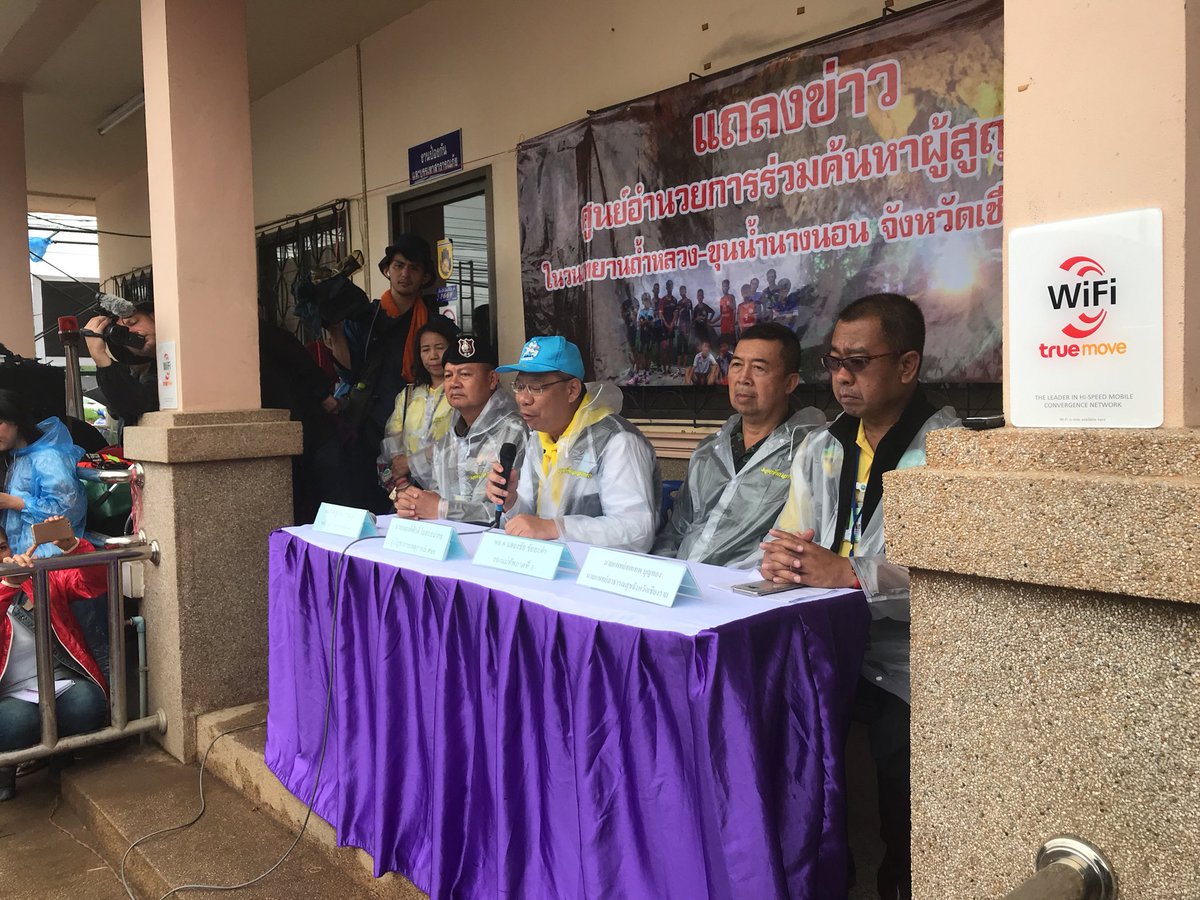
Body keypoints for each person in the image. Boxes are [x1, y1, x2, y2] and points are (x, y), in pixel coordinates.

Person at [758, 293, 958, 900]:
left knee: (903, 756)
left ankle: (905, 880)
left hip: (913, 655)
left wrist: (848, 574)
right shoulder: (822, 445)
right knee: (774, 718)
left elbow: (948, 577)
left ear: (907, 365)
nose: (842, 378)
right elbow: (792, 535)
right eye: (834, 361)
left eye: (859, 362)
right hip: (828, 640)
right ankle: (820, 873)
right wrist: (782, 559)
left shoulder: (947, 453)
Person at [655, 324, 824, 566]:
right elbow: (677, 529)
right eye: (736, 365)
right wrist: (661, 574)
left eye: (758, 368)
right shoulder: (709, 450)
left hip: (747, 585)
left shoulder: (808, 454)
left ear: (790, 383)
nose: (743, 378)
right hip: (683, 578)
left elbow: (789, 546)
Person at [485, 336, 660, 551]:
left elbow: (637, 532)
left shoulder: (616, 441)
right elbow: (533, 520)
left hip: (601, 568)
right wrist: (511, 502)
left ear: (572, 390)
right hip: (546, 561)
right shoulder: (539, 438)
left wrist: (557, 528)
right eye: (520, 386)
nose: (523, 398)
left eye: (536, 388)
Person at [326, 235, 440, 511]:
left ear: (425, 277)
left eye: (414, 268)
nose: (405, 274)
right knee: (364, 502)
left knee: (409, 507)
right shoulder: (366, 316)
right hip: (368, 424)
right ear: (387, 270)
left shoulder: (434, 322)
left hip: (416, 430)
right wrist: (335, 330)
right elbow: (349, 371)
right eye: (399, 266)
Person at [0, 517, 109, 801]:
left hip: (59, 683)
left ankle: (62, 758)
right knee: (17, 721)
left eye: (1, 547)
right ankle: (6, 767)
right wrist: (7, 586)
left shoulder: (38, 576)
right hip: (8, 698)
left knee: (88, 704)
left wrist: (73, 546)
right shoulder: (14, 581)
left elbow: (94, 583)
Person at [392, 335, 527, 525]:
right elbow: (437, 496)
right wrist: (415, 503)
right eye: (448, 375)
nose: (454, 383)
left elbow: (514, 512)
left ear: (492, 379)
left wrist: (443, 509)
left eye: (465, 374)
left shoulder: (513, 432)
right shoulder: (450, 437)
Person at [0, 391, 86, 560]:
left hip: (51, 560)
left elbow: (69, 511)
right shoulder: (16, 458)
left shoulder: (48, 458)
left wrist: (16, 502)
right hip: (24, 559)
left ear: (17, 422)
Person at [380, 316, 459, 492]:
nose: (433, 356)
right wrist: (401, 479)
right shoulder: (408, 395)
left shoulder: (461, 392)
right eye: (425, 349)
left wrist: (412, 462)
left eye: (440, 348)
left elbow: (458, 443)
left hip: (450, 486)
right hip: (409, 486)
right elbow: (393, 438)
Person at [83, 297, 158, 426]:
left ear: (154, 316)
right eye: (123, 335)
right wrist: (99, 356)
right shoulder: (139, 376)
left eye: (132, 322)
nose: (131, 332)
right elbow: (131, 405)